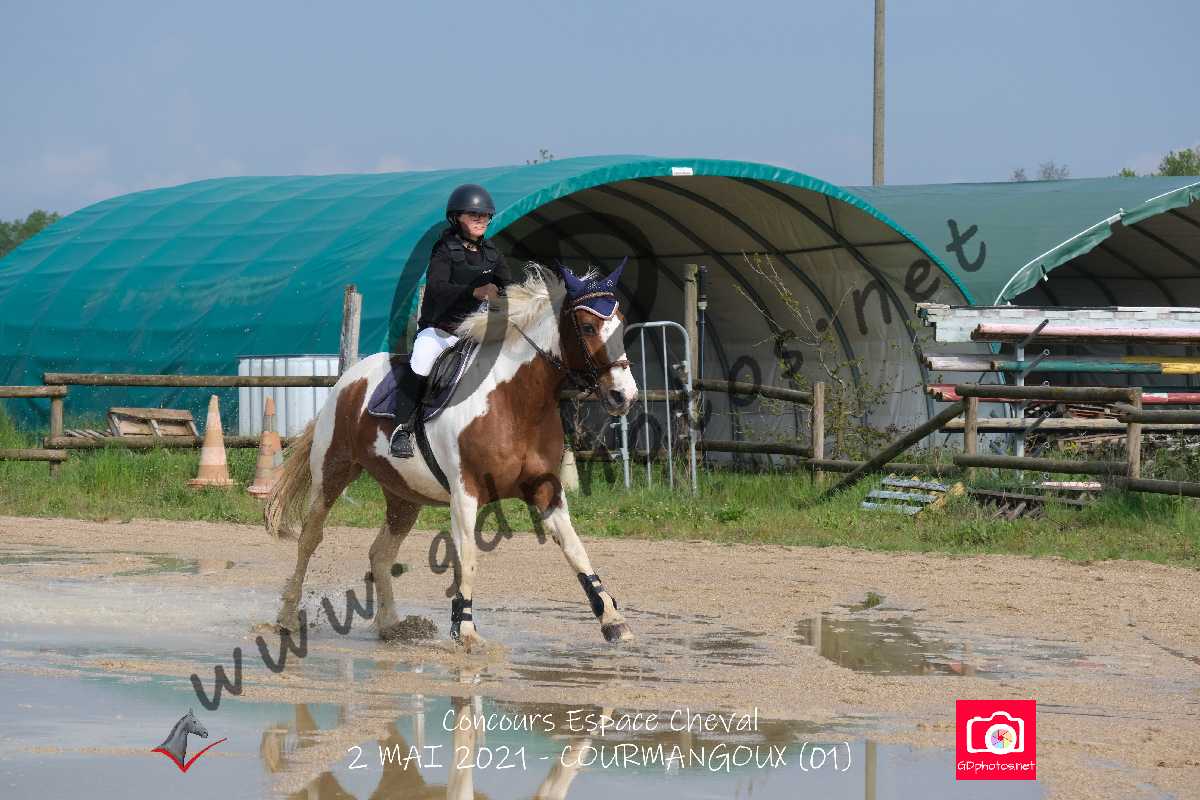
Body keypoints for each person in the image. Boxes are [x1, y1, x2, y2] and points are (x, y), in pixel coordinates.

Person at [389, 183, 512, 458]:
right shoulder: (444, 249)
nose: (481, 220)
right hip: (441, 332)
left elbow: (509, 286)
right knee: (421, 363)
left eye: (485, 215)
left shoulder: (492, 253)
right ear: (457, 218)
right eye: (473, 215)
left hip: (476, 333)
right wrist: (474, 291)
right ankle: (402, 430)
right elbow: (437, 288)